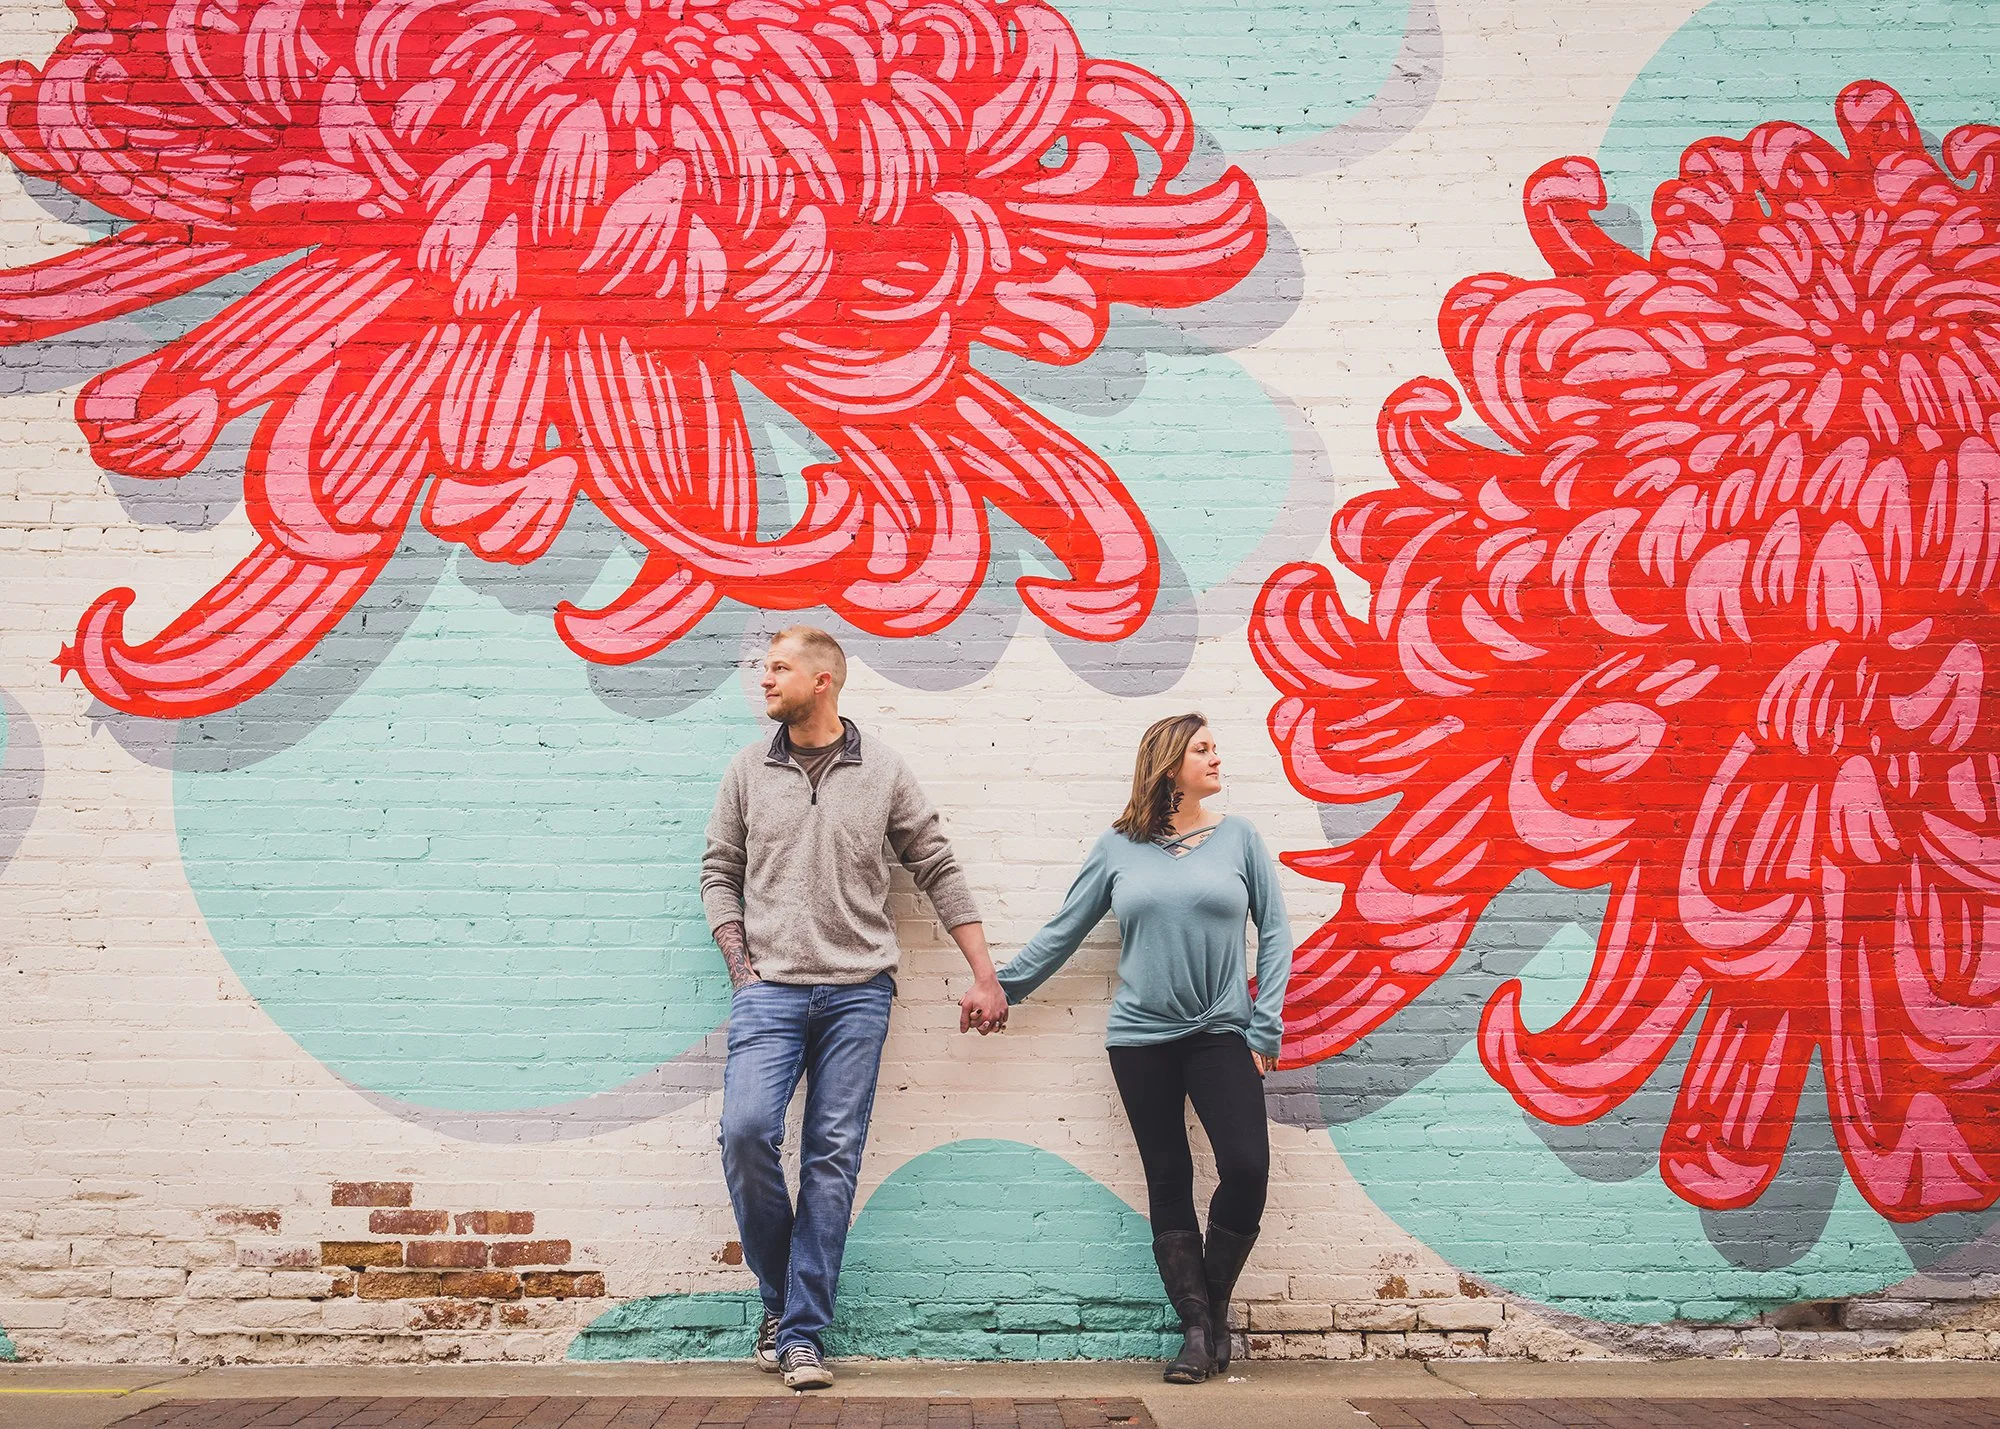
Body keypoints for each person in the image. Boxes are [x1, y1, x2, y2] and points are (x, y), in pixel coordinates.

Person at [702, 625, 1010, 1391]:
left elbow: (936, 864)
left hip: (858, 994)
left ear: (824, 680)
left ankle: (800, 1334)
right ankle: (783, 1300)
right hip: (769, 991)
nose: (765, 679)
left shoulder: (884, 771)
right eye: (763, 666)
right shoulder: (747, 770)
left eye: (778, 667)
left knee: (831, 1161)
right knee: (745, 1134)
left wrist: (986, 972)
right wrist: (743, 966)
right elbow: (718, 870)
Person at [981, 712, 1293, 1384]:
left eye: (1216, 746)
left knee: (1246, 1165)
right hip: (1141, 1039)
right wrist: (1001, 987)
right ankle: (1195, 1332)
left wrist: (1264, 1025)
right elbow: (1063, 931)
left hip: (1222, 1033)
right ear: (1169, 761)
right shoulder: (1118, 847)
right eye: (1203, 748)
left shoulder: (1239, 838)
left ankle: (1212, 1302)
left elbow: (1275, 933)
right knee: (1168, 1176)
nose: (1217, 756)